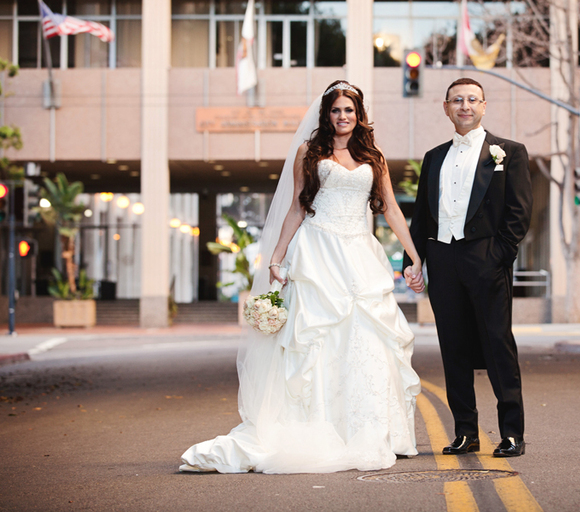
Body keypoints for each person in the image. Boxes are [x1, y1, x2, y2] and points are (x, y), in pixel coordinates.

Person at [180, 80, 425, 474]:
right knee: (317, 341)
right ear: (326, 115)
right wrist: (277, 258)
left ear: (359, 115)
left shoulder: (374, 157)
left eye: (349, 110)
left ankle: (374, 429)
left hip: (360, 253)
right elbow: (297, 206)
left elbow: (392, 209)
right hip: (318, 252)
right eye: (336, 110)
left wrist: (414, 255)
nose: (343, 117)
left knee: (368, 340)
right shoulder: (308, 154)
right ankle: (319, 425)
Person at [403, 78, 532, 458]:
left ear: (484, 106)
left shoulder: (509, 152)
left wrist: (498, 255)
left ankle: (512, 433)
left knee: (498, 346)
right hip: (443, 261)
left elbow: (519, 213)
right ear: (446, 107)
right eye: (457, 100)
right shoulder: (433, 156)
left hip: (485, 260)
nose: (465, 106)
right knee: (453, 349)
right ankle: (465, 432)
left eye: (472, 100)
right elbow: (422, 217)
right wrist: (415, 261)